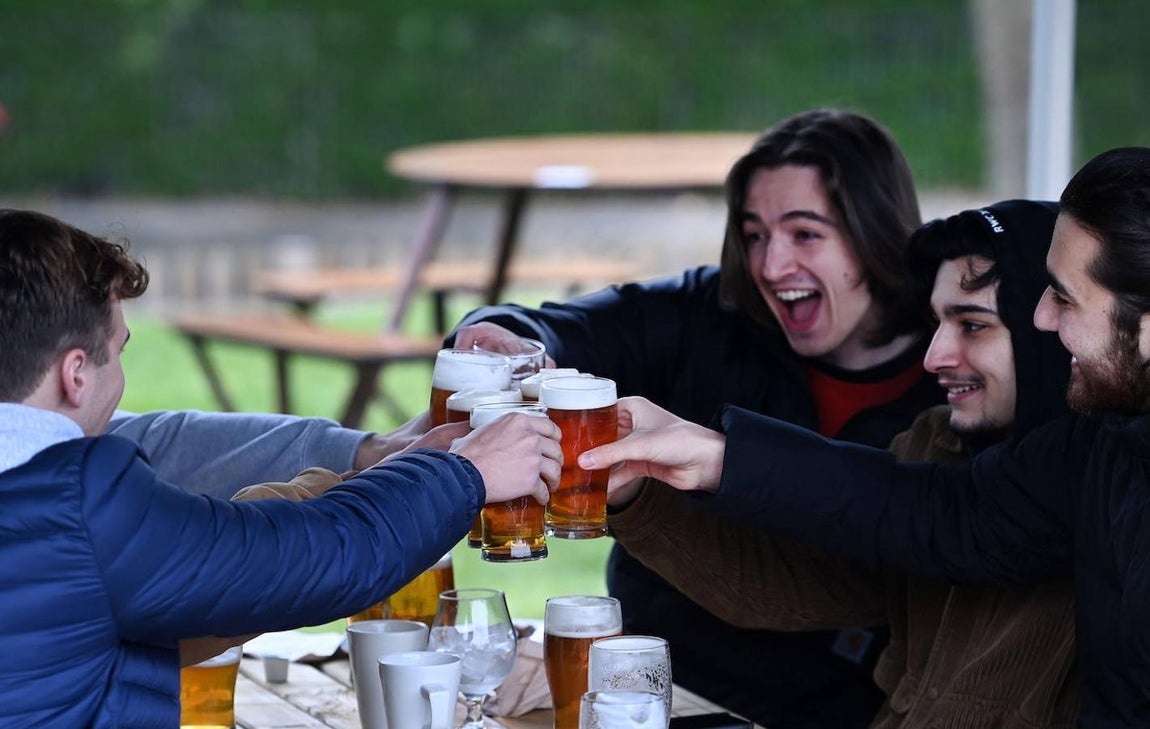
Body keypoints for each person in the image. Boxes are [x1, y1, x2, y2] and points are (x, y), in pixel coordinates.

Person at [578, 147, 1150, 726]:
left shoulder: (1094, 461)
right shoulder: (966, 450)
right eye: (938, 323)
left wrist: (714, 457)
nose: (934, 358)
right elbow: (818, 566)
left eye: (974, 324)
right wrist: (653, 484)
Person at [448, 108, 941, 727]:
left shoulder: (953, 380)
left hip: (839, 703)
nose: (770, 265)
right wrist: (506, 342)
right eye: (755, 234)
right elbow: (556, 328)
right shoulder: (709, 311)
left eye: (805, 233)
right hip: (664, 682)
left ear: (875, 233)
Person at [0, 209, 562, 727]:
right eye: (119, 351)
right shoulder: (76, 502)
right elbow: (304, 560)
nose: (120, 382)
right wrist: (465, 474)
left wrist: (376, 469)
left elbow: (221, 560)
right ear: (75, 374)